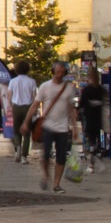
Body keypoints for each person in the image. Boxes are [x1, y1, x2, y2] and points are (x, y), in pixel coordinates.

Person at [32, 60, 80, 192]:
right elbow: (35, 104)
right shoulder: (45, 86)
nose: (59, 75)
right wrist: (26, 122)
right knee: (45, 155)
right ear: (53, 71)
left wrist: (75, 128)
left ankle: (56, 184)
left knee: (61, 156)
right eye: (57, 72)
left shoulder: (68, 88)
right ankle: (46, 175)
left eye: (61, 72)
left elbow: (71, 109)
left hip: (63, 127)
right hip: (47, 125)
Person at [7, 62, 39, 163]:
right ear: (27, 69)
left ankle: (18, 149)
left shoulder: (13, 81)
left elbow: (9, 96)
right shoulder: (32, 81)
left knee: (17, 130)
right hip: (28, 108)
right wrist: (34, 109)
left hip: (16, 107)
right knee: (27, 132)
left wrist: (12, 106)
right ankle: (24, 156)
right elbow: (34, 97)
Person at [77, 69, 107, 171]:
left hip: (89, 117)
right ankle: (93, 159)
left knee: (89, 139)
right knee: (96, 139)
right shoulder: (101, 89)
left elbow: (81, 104)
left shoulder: (86, 90)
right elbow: (105, 101)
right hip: (98, 118)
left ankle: (91, 161)